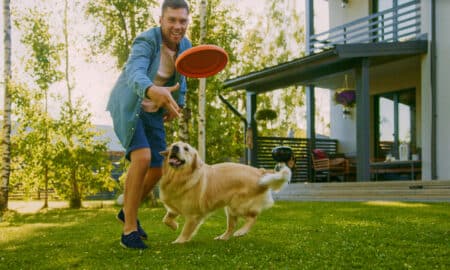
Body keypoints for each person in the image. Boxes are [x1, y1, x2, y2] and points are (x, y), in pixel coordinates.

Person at [107, 0, 191, 249]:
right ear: (161, 20)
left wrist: (179, 103)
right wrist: (152, 90)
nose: (178, 26)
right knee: (142, 157)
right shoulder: (146, 41)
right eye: (172, 20)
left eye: (183, 21)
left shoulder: (185, 45)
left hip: (154, 111)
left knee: (158, 166)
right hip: (131, 106)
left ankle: (127, 210)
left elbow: (182, 78)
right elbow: (134, 71)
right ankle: (129, 229)